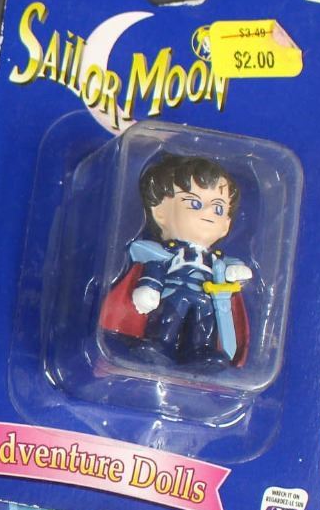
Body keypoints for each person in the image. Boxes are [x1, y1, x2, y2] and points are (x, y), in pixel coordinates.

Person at [99, 154, 251, 367]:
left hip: (206, 301)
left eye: (218, 208)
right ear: (161, 213)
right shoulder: (167, 252)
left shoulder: (216, 259)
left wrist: (236, 271)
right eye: (195, 203)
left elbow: (232, 270)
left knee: (205, 324)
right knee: (169, 317)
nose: (209, 212)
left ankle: (201, 349)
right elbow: (155, 266)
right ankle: (160, 342)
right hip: (173, 294)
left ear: (226, 224)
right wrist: (150, 287)